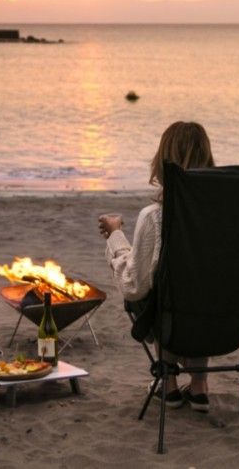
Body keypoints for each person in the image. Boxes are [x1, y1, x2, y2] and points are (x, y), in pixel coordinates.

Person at [98, 121, 215, 412]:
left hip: (173, 323)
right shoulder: (228, 217)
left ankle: (169, 383)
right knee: (199, 288)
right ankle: (199, 386)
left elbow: (134, 286)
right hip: (221, 321)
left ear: (162, 162)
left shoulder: (154, 217)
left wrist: (115, 238)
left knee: (155, 291)